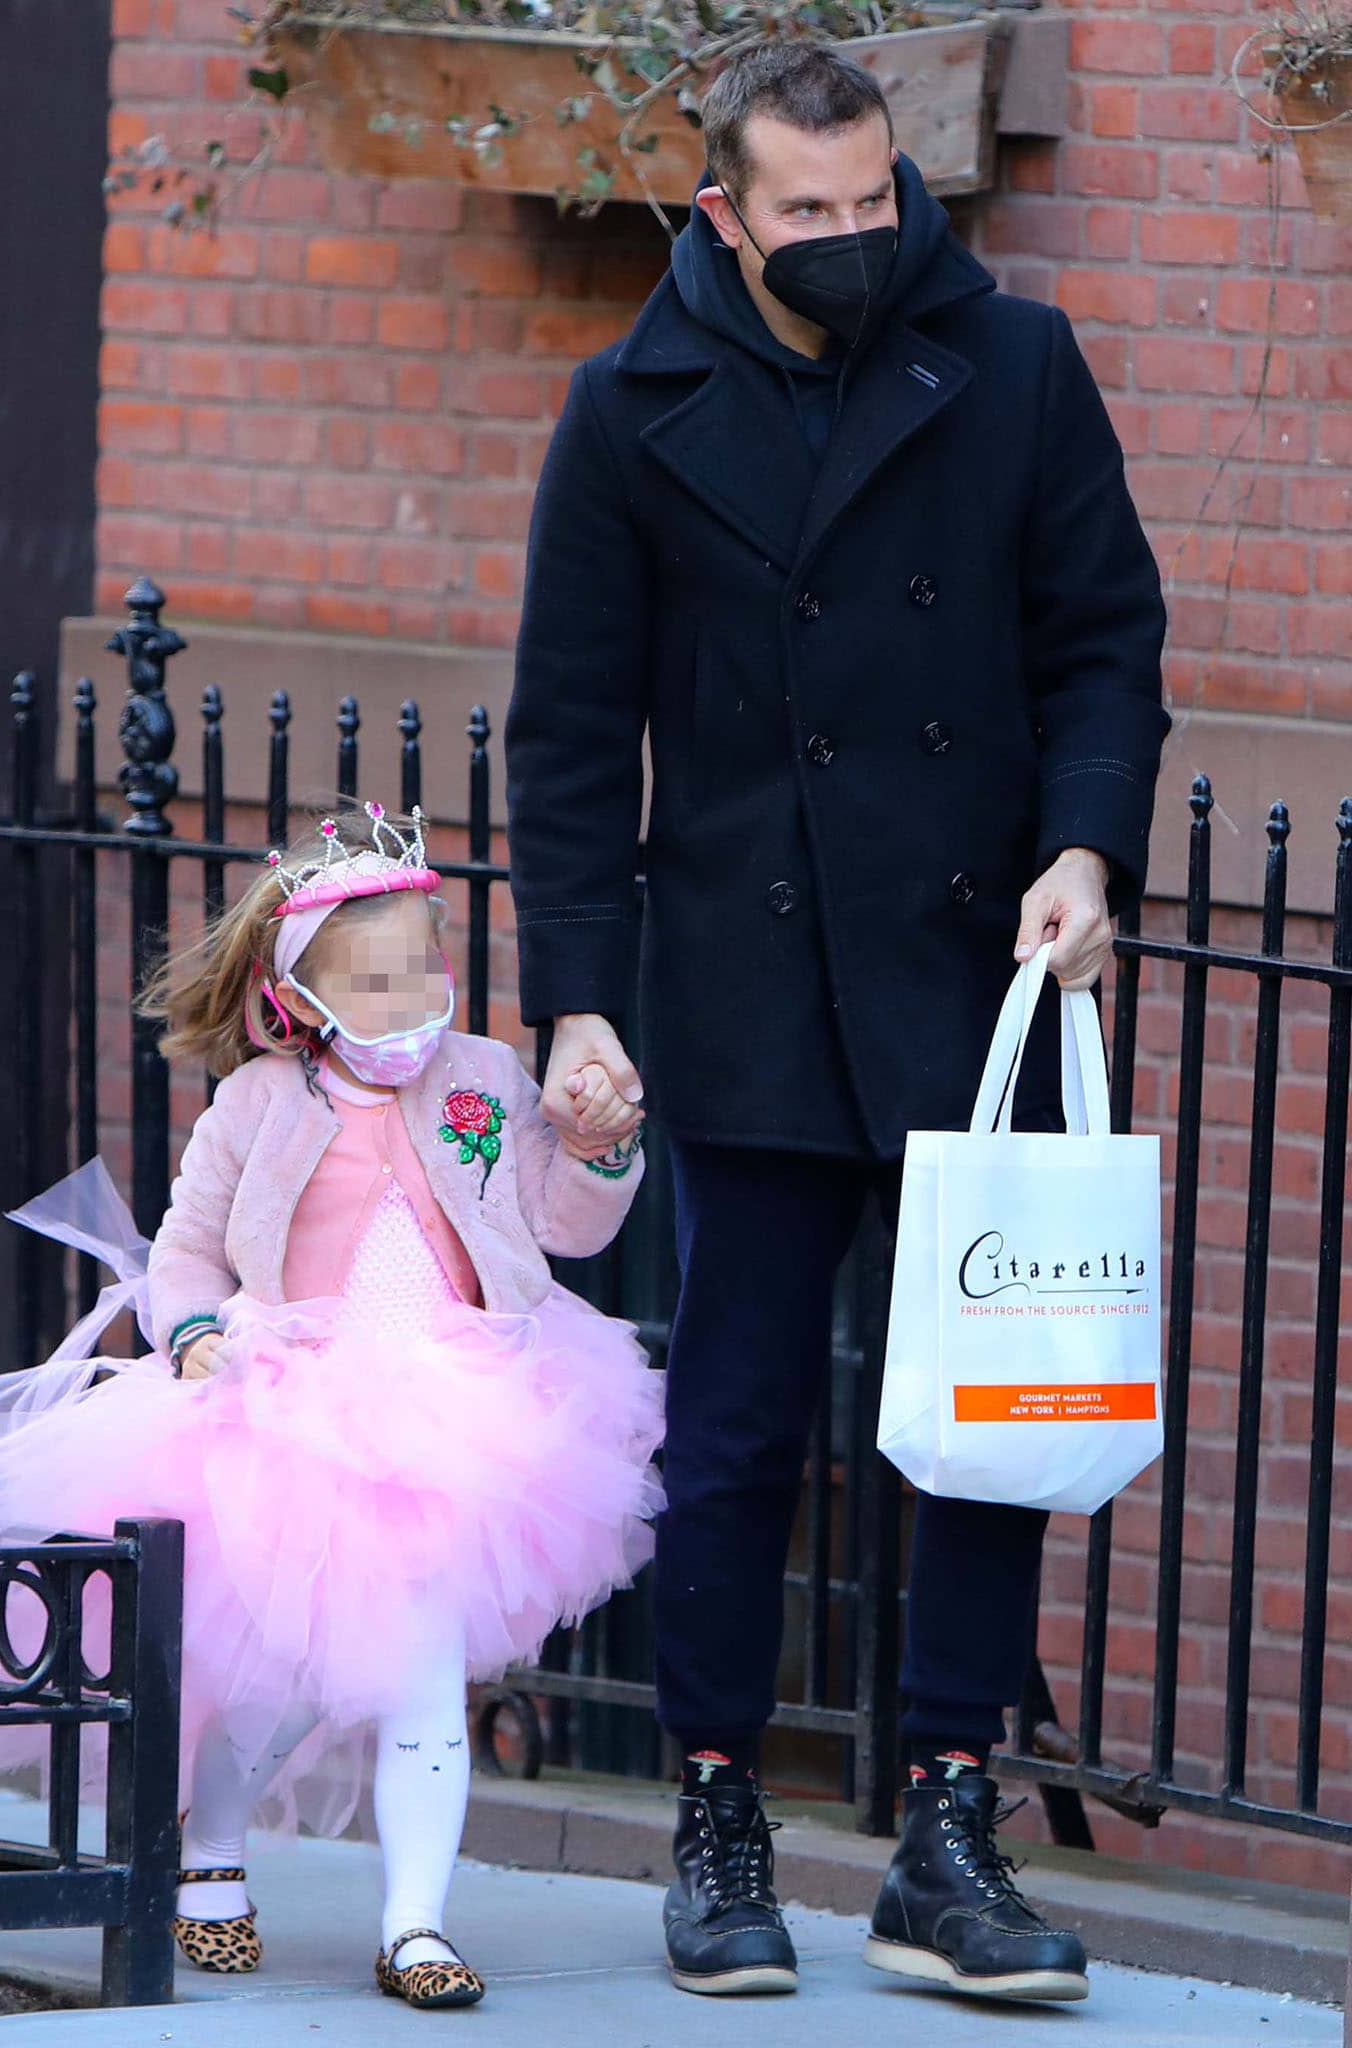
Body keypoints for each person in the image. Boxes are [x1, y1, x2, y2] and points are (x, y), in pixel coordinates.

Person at [506, 38, 1168, 2007]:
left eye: (881, 199)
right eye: (812, 211)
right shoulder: (629, 410)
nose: (858, 237)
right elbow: (563, 737)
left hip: (978, 975)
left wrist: (1087, 848)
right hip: (743, 979)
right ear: (726, 211)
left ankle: (947, 1826)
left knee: (985, 1409)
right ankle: (721, 1812)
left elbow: (1107, 638)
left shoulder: (1018, 365)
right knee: (734, 1424)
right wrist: (575, 1004)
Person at [0, 804, 661, 2011]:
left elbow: (561, 1224)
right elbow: (184, 1254)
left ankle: (414, 1920)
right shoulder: (259, 1102)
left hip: (457, 1417)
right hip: (292, 1413)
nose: (415, 985)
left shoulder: (485, 1075)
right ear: (301, 992)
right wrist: (200, 1330)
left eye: (428, 955)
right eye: (379, 972)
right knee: (278, 1674)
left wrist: (597, 1151)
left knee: (422, 1675)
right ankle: (211, 1850)